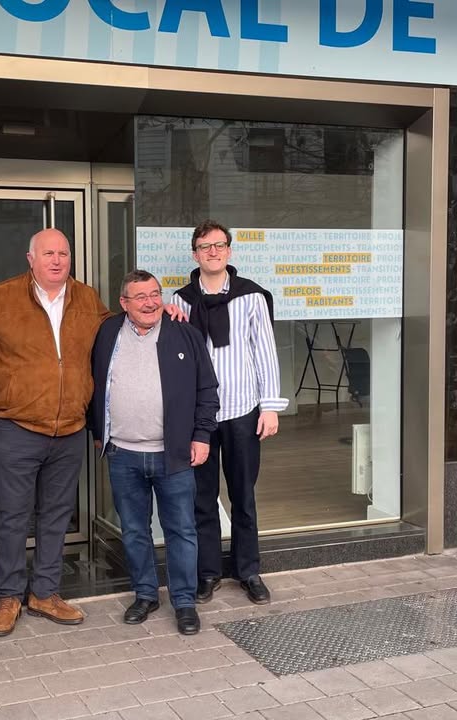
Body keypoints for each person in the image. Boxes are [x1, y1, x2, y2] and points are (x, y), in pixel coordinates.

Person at [0, 228, 112, 636]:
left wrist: (165, 313)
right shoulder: (0, 297)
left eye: (63, 253)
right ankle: (8, 596)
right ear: (31, 259)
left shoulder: (87, 299)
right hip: (16, 426)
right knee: (12, 516)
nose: (57, 260)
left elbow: (117, 334)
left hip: (70, 427)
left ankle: (44, 593)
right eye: (48, 253)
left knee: (57, 514)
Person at [88, 270, 218, 636]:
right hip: (123, 453)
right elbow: (93, 382)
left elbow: (207, 389)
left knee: (182, 530)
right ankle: (145, 594)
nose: (150, 303)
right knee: (134, 530)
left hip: (172, 454)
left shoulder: (185, 333)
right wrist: (99, 431)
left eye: (154, 294)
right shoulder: (107, 332)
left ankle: (184, 601)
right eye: (140, 297)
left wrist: (202, 435)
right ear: (124, 303)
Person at [173, 220, 287, 606]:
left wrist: (270, 406)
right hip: (199, 417)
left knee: (243, 494)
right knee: (202, 497)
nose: (213, 252)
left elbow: (265, 352)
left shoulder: (251, 296)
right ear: (195, 254)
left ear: (229, 251)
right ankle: (207, 572)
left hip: (243, 410)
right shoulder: (180, 301)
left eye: (219, 245)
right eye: (205, 246)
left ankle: (248, 570)